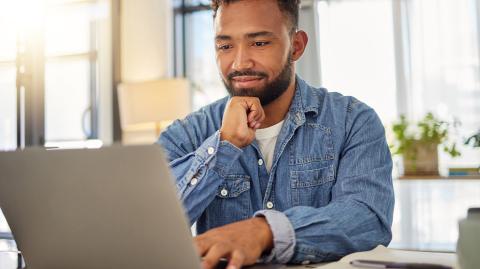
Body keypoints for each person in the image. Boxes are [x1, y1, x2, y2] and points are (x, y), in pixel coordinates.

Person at [157, 0, 394, 268]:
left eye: (259, 43)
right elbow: (152, 228)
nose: (239, 62)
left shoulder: (353, 121)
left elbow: (368, 219)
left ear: (297, 46)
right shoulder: (186, 134)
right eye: (225, 46)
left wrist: (265, 232)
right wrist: (224, 146)